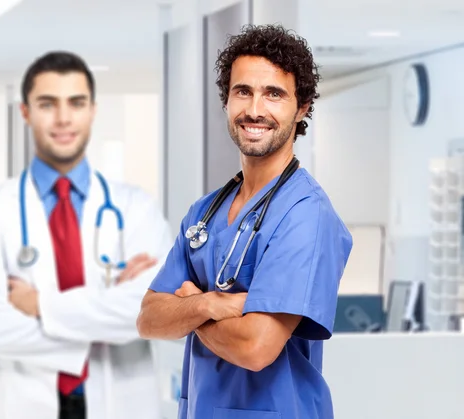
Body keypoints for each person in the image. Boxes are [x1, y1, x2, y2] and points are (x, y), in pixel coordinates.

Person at [137, 24, 353, 419]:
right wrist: (214, 304)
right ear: (227, 100)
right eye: (243, 91)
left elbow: (256, 348)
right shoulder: (205, 212)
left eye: (274, 93)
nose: (255, 109)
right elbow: (149, 319)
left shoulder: (306, 215)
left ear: (301, 107)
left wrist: (188, 309)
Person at [0, 51, 173, 419]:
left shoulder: (135, 207)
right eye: (47, 104)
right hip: (15, 403)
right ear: (25, 111)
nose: (63, 118)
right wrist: (106, 311)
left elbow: (159, 309)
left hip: (119, 400)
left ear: (92, 110)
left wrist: (41, 306)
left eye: (76, 103)